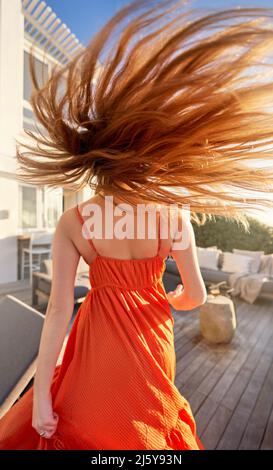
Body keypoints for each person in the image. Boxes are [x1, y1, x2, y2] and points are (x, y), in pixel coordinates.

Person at [1, 0, 273, 450]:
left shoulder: (74, 222)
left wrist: (44, 394)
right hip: (152, 343)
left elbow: (58, 312)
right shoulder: (173, 214)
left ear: (93, 161)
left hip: (95, 350)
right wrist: (163, 297)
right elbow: (196, 294)